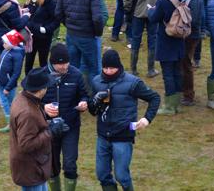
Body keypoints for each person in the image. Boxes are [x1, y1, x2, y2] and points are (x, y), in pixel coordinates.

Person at [88, 49, 160, 191]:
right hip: (103, 136)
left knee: (122, 176)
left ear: (119, 66)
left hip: (123, 136)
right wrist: (95, 100)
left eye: (112, 68)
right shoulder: (96, 82)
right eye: (106, 68)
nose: (108, 71)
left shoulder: (133, 83)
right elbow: (92, 111)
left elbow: (154, 98)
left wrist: (147, 119)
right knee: (102, 174)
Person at [42, 44, 88, 191]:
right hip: (49, 128)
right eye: (60, 64)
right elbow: (29, 99)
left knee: (70, 163)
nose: (64, 67)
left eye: (66, 62)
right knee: (52, 165)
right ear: (52, 62)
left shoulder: (76, 74)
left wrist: (84, 102)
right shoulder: (41, 76)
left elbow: (84, 94)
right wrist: (43, 107)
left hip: (71, 126)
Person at [55, 0, 107, 89]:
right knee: (93, 68)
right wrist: (97, 33)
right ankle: (96, 98)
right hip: (87, 35)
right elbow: (97, 17)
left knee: (72, 68)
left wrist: (68, 24)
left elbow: (58, 12)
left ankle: (73, 94)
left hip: (71, 34)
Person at [146, 0, 189, 116]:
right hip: (180, 37)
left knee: (168, 73)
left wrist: (151, 10)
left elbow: (154, 18)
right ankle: (176, 103)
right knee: (177, 71)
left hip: (166, 39)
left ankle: (169, 106)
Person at [9, 68, 54, 191]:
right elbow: (26, 144)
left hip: (33, 167)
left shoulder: (21, 98)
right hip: (31, 168)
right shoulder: (28, 113)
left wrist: (49, 123)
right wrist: (51, 131)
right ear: (41, 90)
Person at [122, 0, 162, 78]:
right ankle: (151, 69)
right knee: (152, 40)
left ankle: (133, 70)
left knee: (136, 39)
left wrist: (127, 12)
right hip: (154, 13)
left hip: (137, 14)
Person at [177, 0, 205, 107]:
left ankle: (188, 95)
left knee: (186, 64)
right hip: (190, 34)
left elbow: (192, 20)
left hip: (190, 35)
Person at [25, 0, 58, 73]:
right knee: (28, 61)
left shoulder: (50, 2)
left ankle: (44, 84)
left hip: (43, 37)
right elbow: (26, 12)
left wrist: (46, 29)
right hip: (30, 36)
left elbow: (56, 20)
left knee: (43, 62)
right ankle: (28, 84)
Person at [0, 30, 28, 133]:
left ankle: (11, 123)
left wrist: (8, 87)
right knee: (9, 103)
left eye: (5, 42)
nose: (3, 44)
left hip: (7, 85)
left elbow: (16, 73)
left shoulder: (16, 55)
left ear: (11, 44)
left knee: (6, 103)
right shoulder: (6, 50)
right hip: (1, 82)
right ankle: (15, 121)